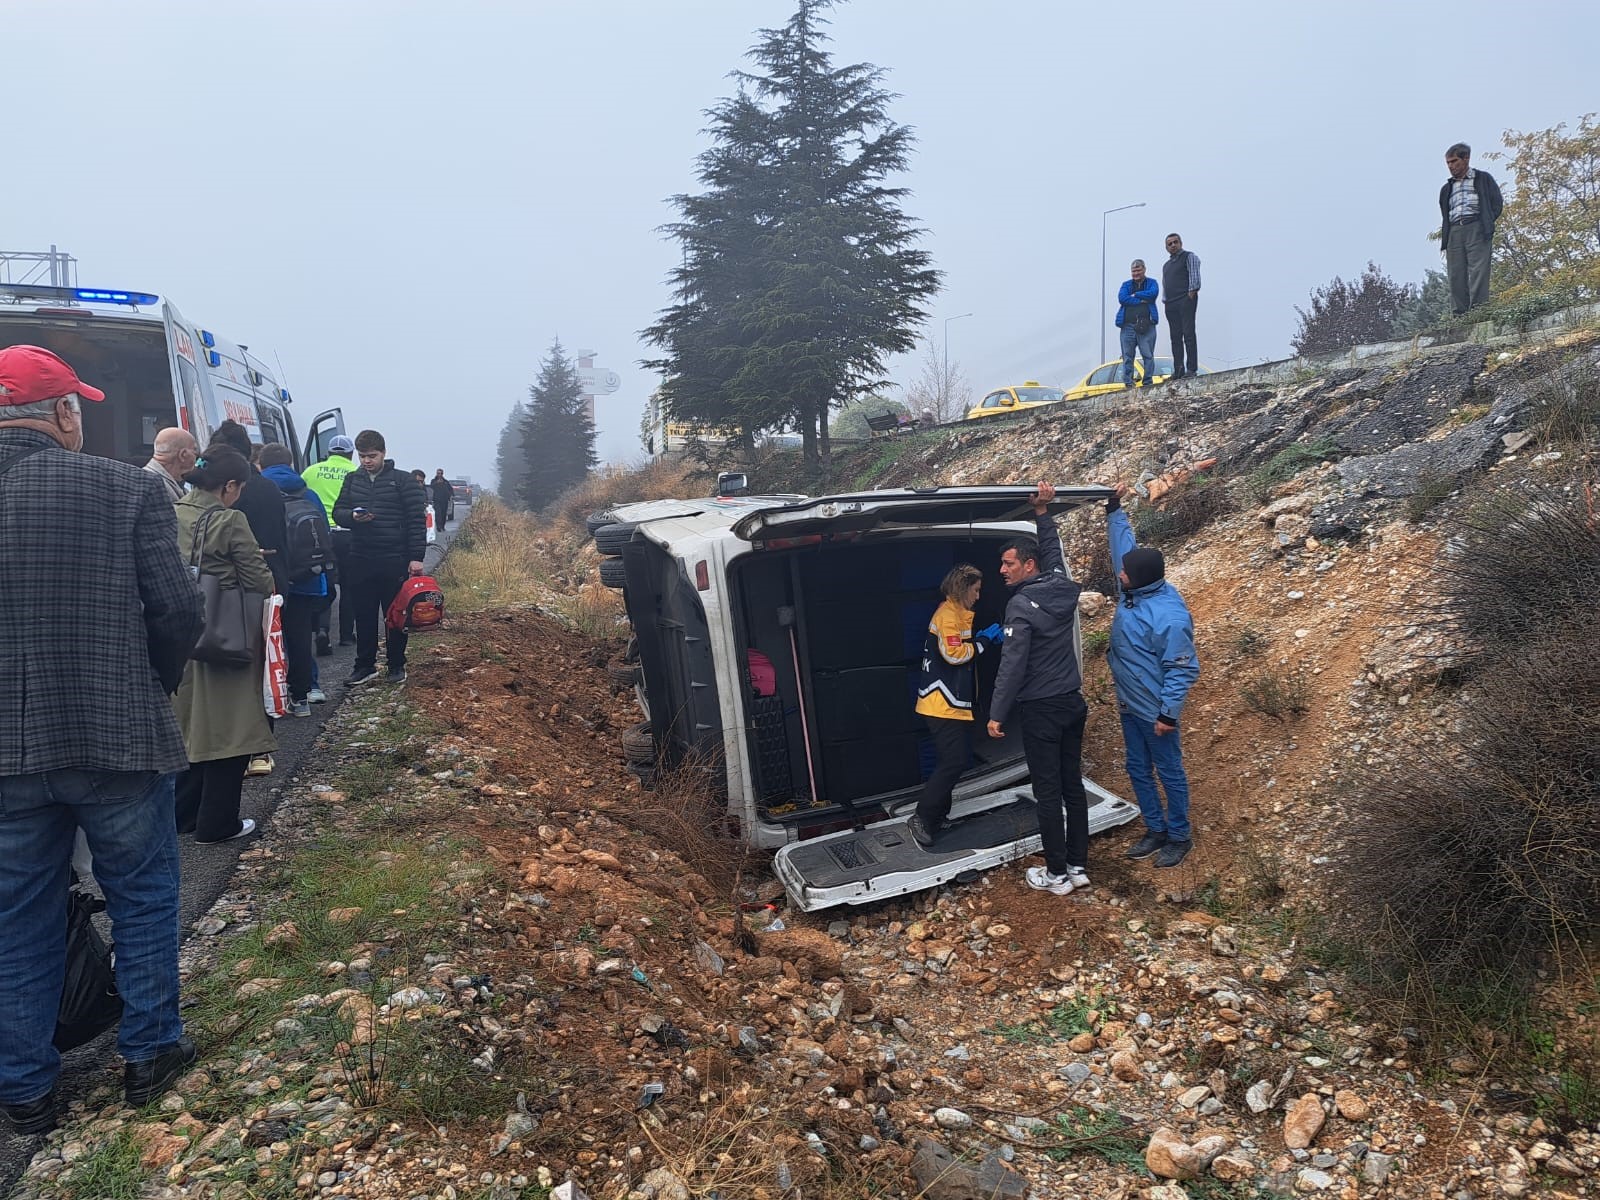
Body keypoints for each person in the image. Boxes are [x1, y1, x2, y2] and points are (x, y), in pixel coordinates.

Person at [0, 345, 203, 1133]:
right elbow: (177, 613)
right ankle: (150, 1054)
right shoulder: (125, 489)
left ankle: (24, 1088)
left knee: (17, 916)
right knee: (144, 896)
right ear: (62, 414)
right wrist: (147, 685)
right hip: (115, 735)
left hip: (7, 756)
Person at [986, 483, 1091, 895]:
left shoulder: (1018, 605)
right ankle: (1078, 866)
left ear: (1027, 566)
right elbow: (1052, 553)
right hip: (1071, 704)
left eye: (1008, 563)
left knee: (1047, 791)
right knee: (1071, 785)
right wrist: (1042, 513)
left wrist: (996, 713)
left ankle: (1057, 876)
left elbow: (1012, 664)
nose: (1002, 569)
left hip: (1042, 710)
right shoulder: (1061, 588)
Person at [172, 448, 276, 844]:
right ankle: (218, 823)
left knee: (191, 725)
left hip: (182, 637)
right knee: (230, 729)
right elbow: (258, 580)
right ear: (229, 485)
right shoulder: (230, 520)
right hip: (225, 635)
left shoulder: (171, 511)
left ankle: (183, 816)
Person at [1106, 484, 1200, 867]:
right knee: (1137, 769)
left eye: (1124, 573)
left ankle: (1179, 836)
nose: (1119, 573)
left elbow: (1183, 667)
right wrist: (1114, 510)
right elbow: (1123, 548)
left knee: (1169, 771)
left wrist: (1167, 714)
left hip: (1155, 712)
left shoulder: (1169, 616)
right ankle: (1155, 828)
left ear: (1138, 578)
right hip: (1130, 704)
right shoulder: (1135, 589)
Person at [206, 420, 286, 776]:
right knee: (261, 670)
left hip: (214, 602)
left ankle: (215, 748)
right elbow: (276, 543)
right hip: (258, 594)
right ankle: (258, 750)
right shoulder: (267, 489)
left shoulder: (194, 498)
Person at [909, 564, 1003, 849]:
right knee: (955, 761)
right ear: (963, 589)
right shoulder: (948, 615)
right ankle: (922, 817)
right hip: (941, 705)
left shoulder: (958, 613)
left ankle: (938, 817)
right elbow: (955, 656)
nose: (977, 596)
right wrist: (985, 640)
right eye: (975, 591)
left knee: (952, 760)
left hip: (952, 703)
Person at [333, 429, 428, 686]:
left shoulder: (403, 481)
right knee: (363, 615)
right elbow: (337, 512)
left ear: (383, 453)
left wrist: (416, 557)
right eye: (362, 456)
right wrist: (351, 517)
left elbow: (416, 522)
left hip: (393, 559)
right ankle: (365, 665)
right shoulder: (353, 480)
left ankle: (396, 665)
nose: (366, 461)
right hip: (361, 557)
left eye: (371, 456)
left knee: (396, 615)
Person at [259, 442, 333, 718]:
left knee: (266, 640)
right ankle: (300, 698)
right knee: (300, 639)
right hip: (306, 578)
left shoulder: (256, 490)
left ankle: (270, 699)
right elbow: (322, 533)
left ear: (261, 465)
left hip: (268, 578)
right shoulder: (308, 493)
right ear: (290, 464)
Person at [303, 434, 360, 651]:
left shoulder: (311, 471)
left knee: (324, 584)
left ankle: (322, 630)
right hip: (348, 533)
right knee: (349, 587)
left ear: (328, 453)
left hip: (318, 535)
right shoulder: (355, 474)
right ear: (350, 453)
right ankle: (346, 635)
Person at [1440, 142, 1505, 317]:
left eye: (1454, 161)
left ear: (1466, 158)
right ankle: (1459, 315)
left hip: (1476, 226)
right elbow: (1445, 213)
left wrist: (1486, 222)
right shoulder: (1447, 188)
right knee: (1456, 274)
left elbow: (1497, 204)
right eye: (1448, 163)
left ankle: (1479, 312)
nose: (1451, 166)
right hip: (1454, 231)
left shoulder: (1483, 179)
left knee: (1479, 270)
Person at [1162, 234, 1202, 379]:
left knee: (1189, 334)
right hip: (1171, 304)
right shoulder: (1166, 266)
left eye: (1175, 242)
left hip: (1185, 300)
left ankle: (1191, 369)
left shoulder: (1189, 256)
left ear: (1180, 243)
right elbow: (1165, 284)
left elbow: (1194, 276)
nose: (1173, 245)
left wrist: (1191, 294)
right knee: (1175, 337)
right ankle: (1178, 370)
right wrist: (1165, 301)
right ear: (1166, 247)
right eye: (1169, 244)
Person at [1117, 260, 1160, 388]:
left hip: (1147, 325)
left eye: (1138, 270)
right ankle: (1128, 384)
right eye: (1133, 271)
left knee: (1148, 355)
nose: (1136, 273)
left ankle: (1147, 382)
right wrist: (1141, 301)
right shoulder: (1126, 285)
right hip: (1127, 326)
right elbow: (1122, 298)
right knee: (1127, 356)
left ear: (1144, 269)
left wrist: (1136, 294)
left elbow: (1153, 294)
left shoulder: (1152, 283)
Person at [142, 426, 198, 503]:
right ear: (183, 455)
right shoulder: (158, 489)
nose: (197, 455)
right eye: (194, 450)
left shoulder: (147, 480)